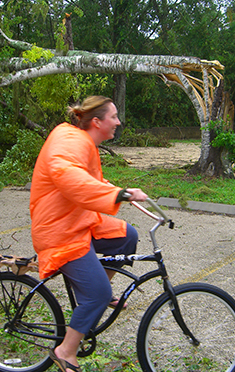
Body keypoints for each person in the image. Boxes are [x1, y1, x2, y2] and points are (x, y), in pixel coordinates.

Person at [29, 96, 147, 372]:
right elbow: (69, 176)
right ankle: (66, 351)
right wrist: (121, 194)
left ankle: (93, 293)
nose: (118, 122)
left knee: (126, 236)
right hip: (59, 231)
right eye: (114, 116)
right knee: (98, 294)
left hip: (77, 221)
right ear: (97, 122)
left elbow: (93, 182)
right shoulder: (72, 141)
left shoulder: (84, 142)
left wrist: (122, 193)